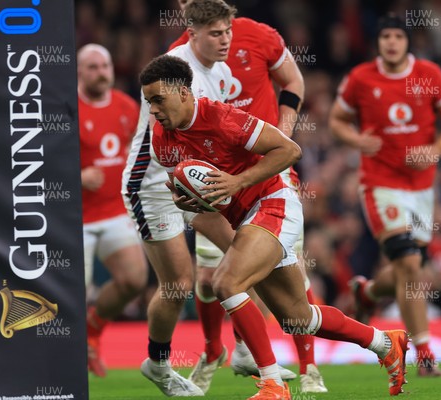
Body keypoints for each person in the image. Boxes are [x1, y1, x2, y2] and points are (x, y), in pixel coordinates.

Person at [142, 53, 410, 399]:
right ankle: (386, 343)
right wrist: (187, 202)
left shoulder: (223, 119)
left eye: (158, 100)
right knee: (297, 318)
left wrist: (239, 182)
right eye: (149, 102)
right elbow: (189, 189)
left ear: (182, 92)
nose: (154, 110)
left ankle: (273, 384)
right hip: (244, 218)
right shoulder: (163, 140)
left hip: (273, 201)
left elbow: (289, 150)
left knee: (225, 282)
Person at [123, 1, 293, 395]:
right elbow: (179, 140)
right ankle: (159, 364)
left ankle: (248, 352)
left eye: (228, 32)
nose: (226, 40)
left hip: (191, 175)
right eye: (216, 34)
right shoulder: (176, 70)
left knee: (245, 251)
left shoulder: (217, 68)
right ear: (193, 32)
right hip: (153, 184)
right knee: (177, 284)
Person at [168, 2, 326, 392]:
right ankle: (216, 350)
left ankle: (308, 368)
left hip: (267, 167)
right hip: (216, 182)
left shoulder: (260, 35)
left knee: (286, 266)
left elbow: (293, 82)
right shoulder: (177, 58)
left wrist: (281, 134)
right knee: (211, 276)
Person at [329, 14, 441, 377]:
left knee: (412, 268)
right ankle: (423, 355)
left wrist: (437, 149)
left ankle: (367, 293)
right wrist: (357, 140)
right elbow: (336, 119)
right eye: (385, 36)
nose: (391, 42)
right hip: (380, 183)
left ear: (408, 42)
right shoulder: (360, 78)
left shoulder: (430, 75)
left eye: (397, 36)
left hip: (421, 188)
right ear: (378, 42)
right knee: (407, 263)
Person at [77, 44, 148, 377]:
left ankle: (93, 330)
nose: (101, 72)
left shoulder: (126, 106)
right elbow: (39, 163)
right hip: (75, 218)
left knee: (134, 279)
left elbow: (142, 152)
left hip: (113, 210)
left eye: (104, 65)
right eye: (92, 67)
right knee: (75, 292)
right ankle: (65, 361)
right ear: (79, 72)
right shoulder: (65, 109)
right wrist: (77, 178)